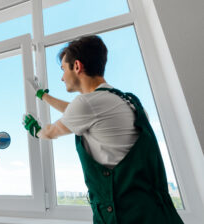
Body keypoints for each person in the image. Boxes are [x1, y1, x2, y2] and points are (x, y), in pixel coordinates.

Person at [23, 35, 183, 223]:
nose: (61, 77)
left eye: (63, 69)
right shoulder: (127, 101)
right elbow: (77, 113)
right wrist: (42, 95)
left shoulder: (87, 105)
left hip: (124, 218)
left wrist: (35, 130)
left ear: (77, 66)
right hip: (159, 214)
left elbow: (51, 131)